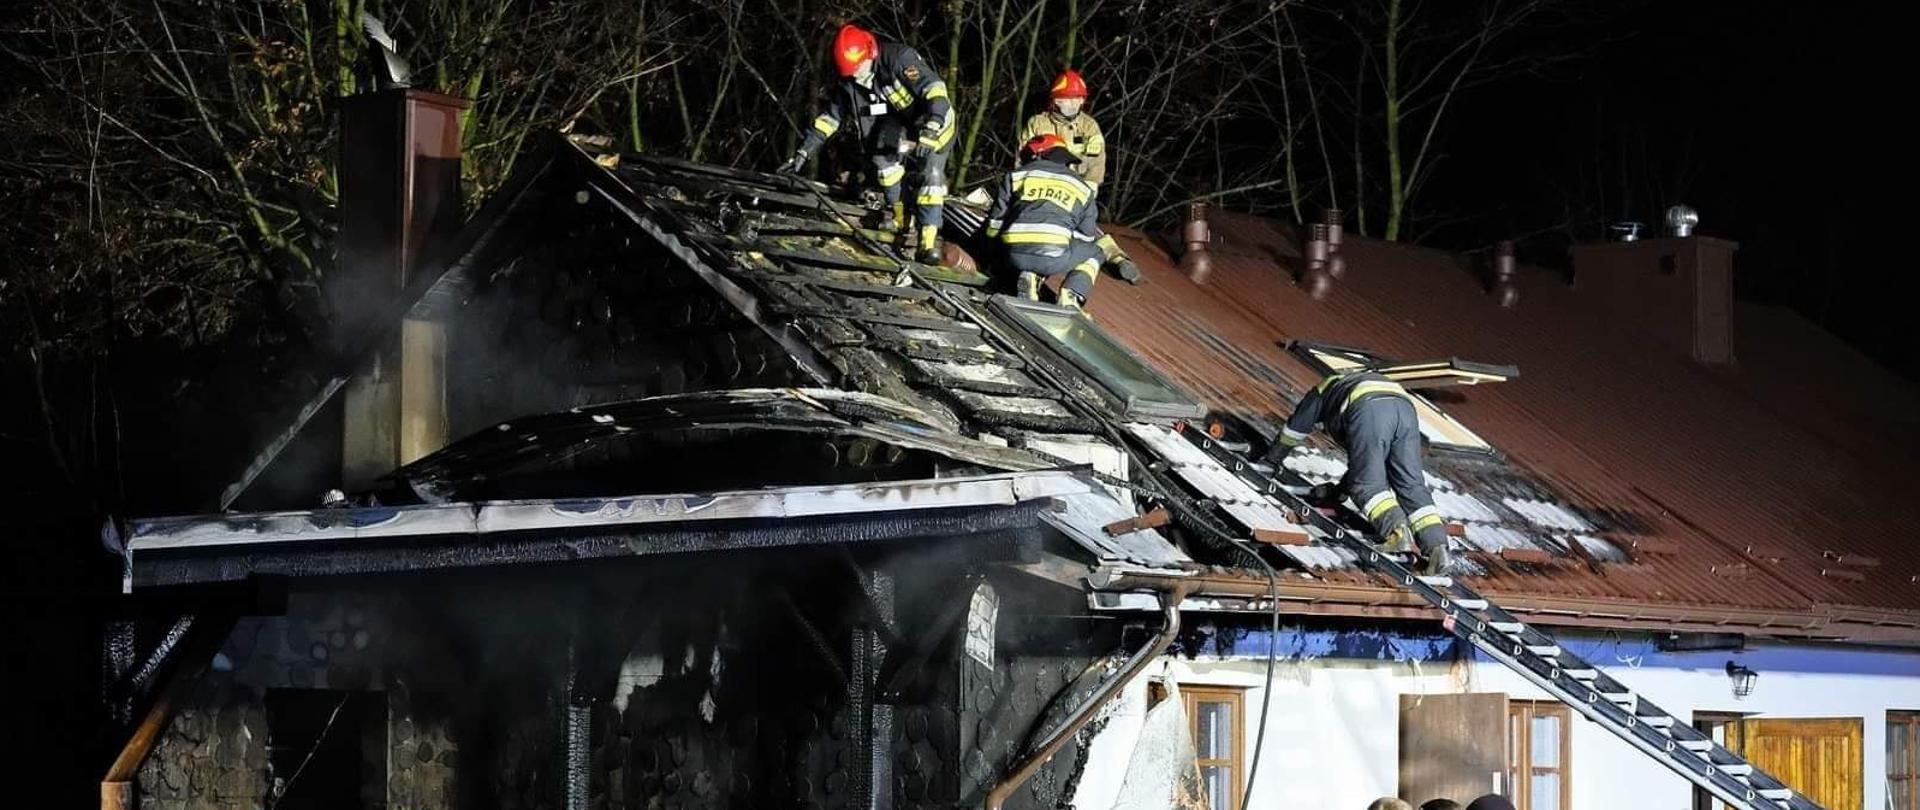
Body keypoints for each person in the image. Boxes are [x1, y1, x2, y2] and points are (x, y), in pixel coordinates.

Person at [779, 24, 955, 263]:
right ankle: (903, 221)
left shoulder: (899, 58)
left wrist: (932, 126)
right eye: (850, 71)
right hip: (902, 125)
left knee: (930, 175)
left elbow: (934, 89)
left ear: (870, 53)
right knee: (883, 165)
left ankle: (927, 241)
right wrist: (803, 152)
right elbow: (830, 119)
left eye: (858, 68)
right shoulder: (850, 84)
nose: (855, 75)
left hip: (935, 122)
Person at [1263, 369, 1453, 574]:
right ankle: (1437, 549)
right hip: (1404, 408)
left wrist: (1272, 460)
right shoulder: (1347, 386)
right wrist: (1339, 493)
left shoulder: (1324, 389)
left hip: (1369, 406)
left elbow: (1296, 428)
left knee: (1366, 485)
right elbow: (1365, 464)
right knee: (1411, 485)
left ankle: (1396, 532)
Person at [1019, 69, 1141, 284]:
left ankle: (1120, 260)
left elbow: (1097, 162)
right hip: (1041, 189)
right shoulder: (1038, 123)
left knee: (1088, 230)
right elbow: (1022, 158)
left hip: (1076, 192)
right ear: (1056, 100)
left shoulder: (1089, 126)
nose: (1075, 104)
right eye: (1069, 99)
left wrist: (1090, 188)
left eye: (1079, 99)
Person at [983, 133, 1105, 309]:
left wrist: (992, 254)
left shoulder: (1017, 176)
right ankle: (1071, 296)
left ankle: (1030, 275)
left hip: (1013, 254)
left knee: (1018, 237)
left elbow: (994, 224)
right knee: (1097, 251)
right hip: (1052, 258)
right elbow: (1086, 237)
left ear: (1036, 154)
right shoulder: (1083, 189)